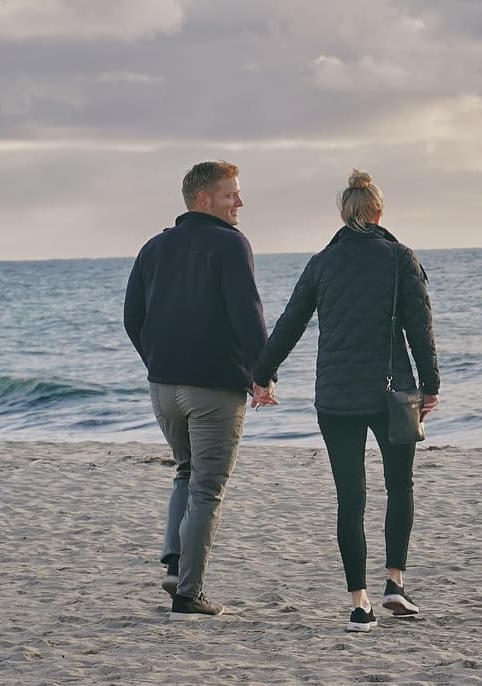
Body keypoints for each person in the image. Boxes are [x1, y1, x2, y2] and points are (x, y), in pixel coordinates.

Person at [252, 169, 440, 632]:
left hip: (335, 399)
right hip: (393, 392)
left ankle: (360, 603)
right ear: (378, 212)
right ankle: (394, 582)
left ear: (344, 212)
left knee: (349, 498)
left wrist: (262, 375)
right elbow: (420, 329)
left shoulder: (322, 263)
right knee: (400, 486)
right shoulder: (401, 258)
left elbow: (290, 324)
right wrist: (431, 385)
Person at [123, 160, 268, 620]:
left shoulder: (153, 247)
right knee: (207, 487)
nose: (239, 203)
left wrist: (159, 363)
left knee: (186, 472)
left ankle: (173, 561)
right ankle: (189, 593)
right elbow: (247, 315)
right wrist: (262, 375)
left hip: (163, 388)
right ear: (203, 199)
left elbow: (133, 319)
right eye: (231, 195)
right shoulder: (231, 244)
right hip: (215, 389)